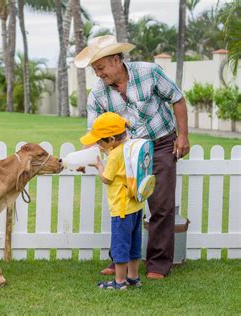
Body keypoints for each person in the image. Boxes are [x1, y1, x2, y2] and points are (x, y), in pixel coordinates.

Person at [74, 35, 190, 279]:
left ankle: (158, 264)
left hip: (160, 144)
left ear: (116, 60)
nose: (98, 74)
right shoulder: (98, 94)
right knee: (125, 209)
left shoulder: (149, 72)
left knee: (161, 206)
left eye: (101, 68)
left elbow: (177, 98)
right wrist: (84, 158)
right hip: (125, 153)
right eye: (95, 69)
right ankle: (120, 260)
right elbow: (93, 132)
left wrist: (183, 136)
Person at [81, 112, 143, 290]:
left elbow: (107, 179)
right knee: (134, 242)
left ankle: (120, 282)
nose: (98, 144)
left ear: (112, 139)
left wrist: (100, 166)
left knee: (120, 245)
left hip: (121, 207)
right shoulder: (130, 147)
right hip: (136, 204)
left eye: (100, 140)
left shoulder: (115, 155)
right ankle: (133, 277)